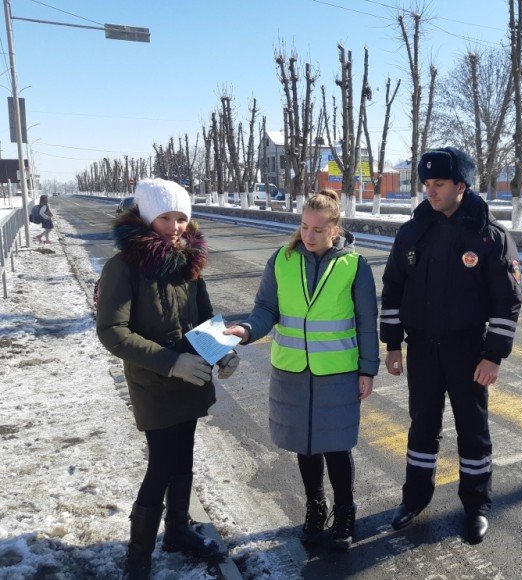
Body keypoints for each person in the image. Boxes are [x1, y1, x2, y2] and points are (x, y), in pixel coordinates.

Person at [96, 178, 238, 579]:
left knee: (185, 455)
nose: (175, 226)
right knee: (161, 463)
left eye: (181, 218)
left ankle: (176, 531)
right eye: (165, 218)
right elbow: (113, 331)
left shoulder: (189, 262)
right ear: (145, 217)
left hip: (192, 378)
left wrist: (222, 351)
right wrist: (170, 362)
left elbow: (205, 319)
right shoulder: (123, 266)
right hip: (155, 382)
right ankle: (137, 559)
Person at [380, 147, 522, 544]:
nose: (430, 191)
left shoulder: (488, 236)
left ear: (461, 185)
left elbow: (506, 302)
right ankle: (414, 498)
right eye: (426, 184)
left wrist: (493, 355)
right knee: (421, 426)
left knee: (472, 430)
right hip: (422, 348)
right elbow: (393, 290)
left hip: (468, 352)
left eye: (438, 184)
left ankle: (476, 505)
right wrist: (393, 345)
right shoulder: (412, 232)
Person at [224, 189, 379, 551]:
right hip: (292, 370)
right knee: (305, 447)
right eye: (304, 226)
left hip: (337, 372)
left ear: (335, 229)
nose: (308, 236)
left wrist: (367, 370)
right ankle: (315, 506)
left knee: (337, 447)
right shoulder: (282, 259)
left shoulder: (354, 266)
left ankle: (344, 511)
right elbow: (266, 309)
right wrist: (247, 330)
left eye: (318, 230)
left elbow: (366, 321)